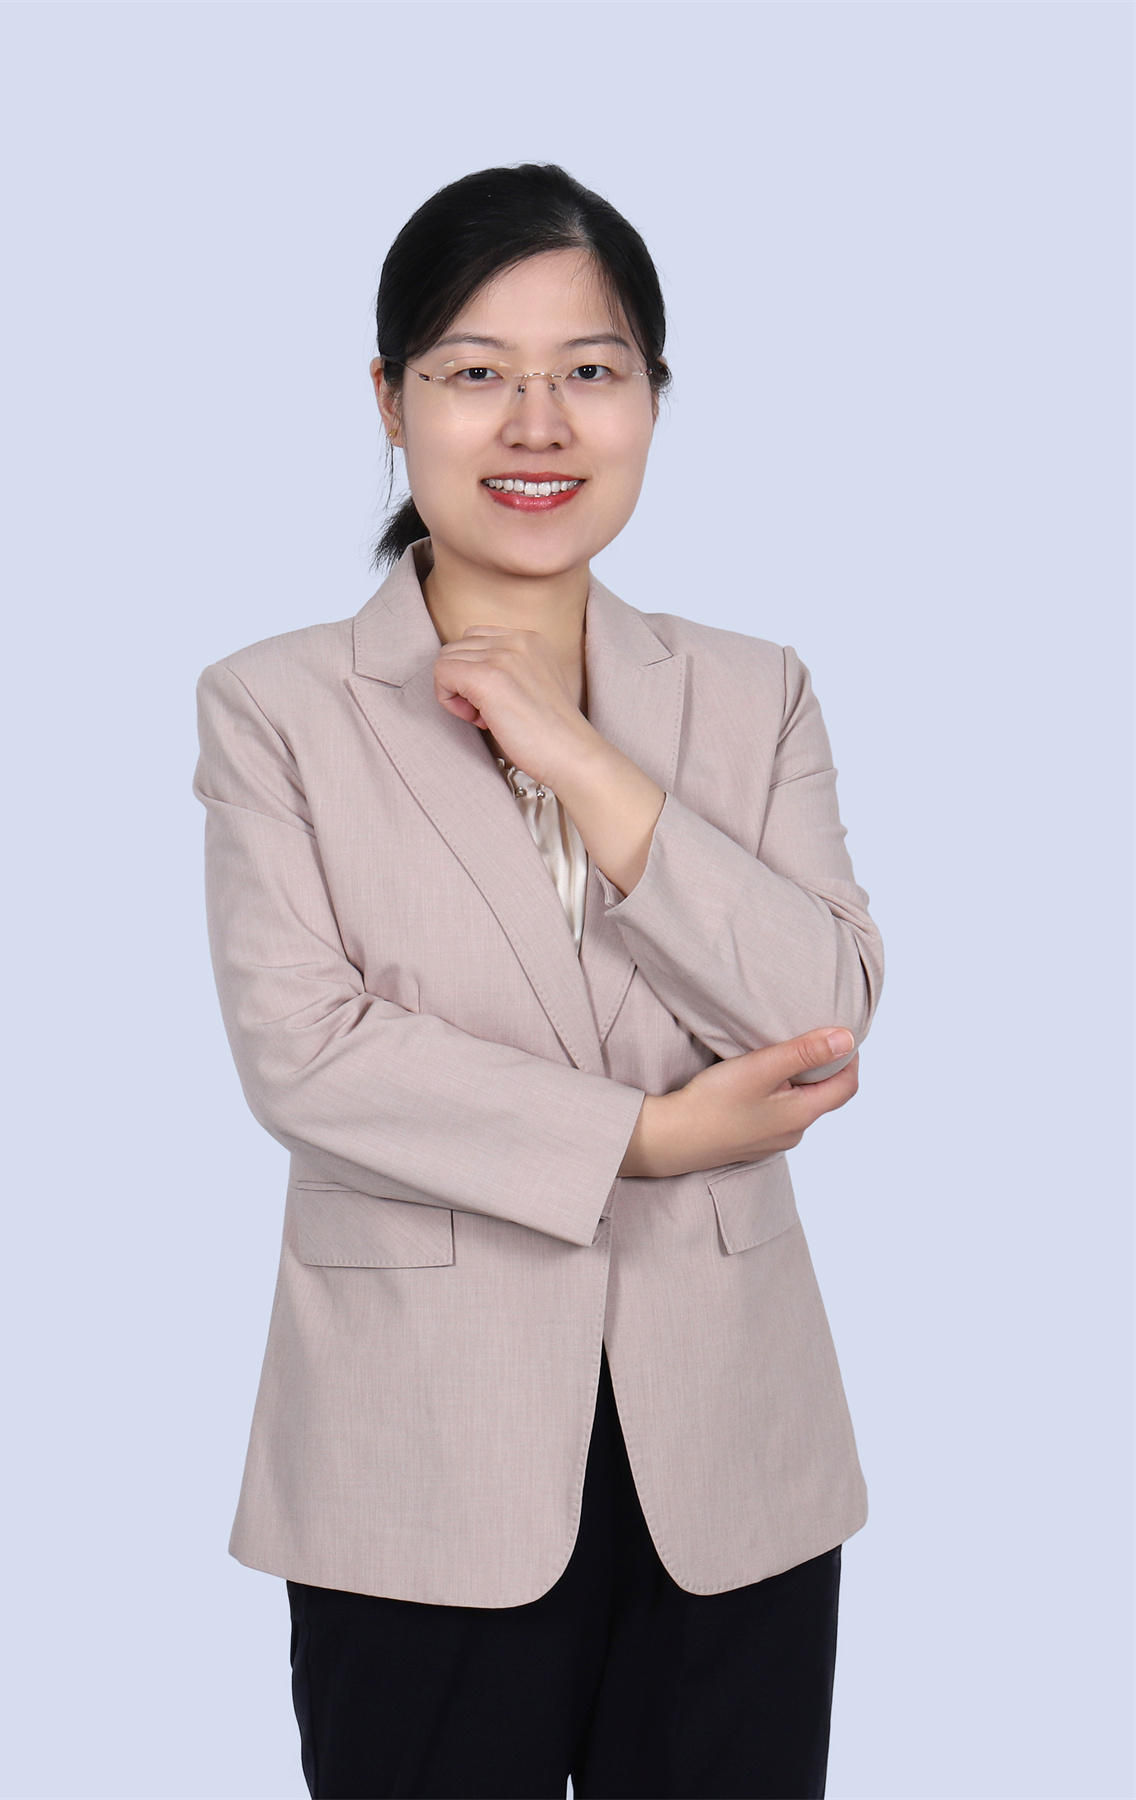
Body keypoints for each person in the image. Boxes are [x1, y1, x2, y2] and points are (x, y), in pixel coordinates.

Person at [193, 163, 884, 1800]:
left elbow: (820, 1001)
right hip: (418, 1460)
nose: (537, 423)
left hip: (735, 1464)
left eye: (589, 369)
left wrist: (580, 757)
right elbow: (308, 1052)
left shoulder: (756, 691)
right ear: (390, 398)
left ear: (652, 394)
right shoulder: (274, 707)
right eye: (474, 372)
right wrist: (646, 1139)